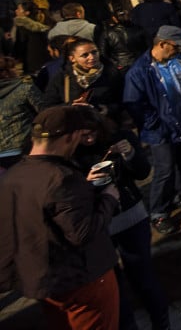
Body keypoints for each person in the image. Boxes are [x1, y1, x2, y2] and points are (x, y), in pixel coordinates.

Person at [0, 105, 121, 329]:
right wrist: (108, 199)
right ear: (71, 136)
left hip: (46, 283)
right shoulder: (61, 177)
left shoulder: (13, 175)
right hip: (82, 280)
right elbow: (82, 233)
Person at [73, 109, 170, 330]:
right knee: (113, 287)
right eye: (83, 135)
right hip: (99, 226)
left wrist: (130, 155)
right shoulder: (70, 156)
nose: (89, 139)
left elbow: (143, 172)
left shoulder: (121, 138)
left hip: (130, 217)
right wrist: (86, 183)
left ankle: (162, 324)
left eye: (92, 133)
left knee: (144, 278)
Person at [124, 25, 181, 235]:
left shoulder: (178, 62)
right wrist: (156, 124)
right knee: (165, 170)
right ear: (162, 44)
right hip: (161, 132)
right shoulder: (139, 72)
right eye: (176, 47)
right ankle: (159, 213)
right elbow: (134, 104)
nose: (179, 51)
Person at [45, 37, 127, 126]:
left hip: (104, 128)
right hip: (75, 128)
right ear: (72, 58)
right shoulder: (62, 77)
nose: (92, 57)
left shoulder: (111, 74)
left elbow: (123, 101)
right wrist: (70, 106)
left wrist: (107, 109)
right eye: (85, 55)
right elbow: (49, 105)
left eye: (94, 52)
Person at [0, 56, 47, 172]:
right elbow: (46, 114)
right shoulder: (25, 89)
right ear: (6, 73)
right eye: (13, 68)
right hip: (24, 150)